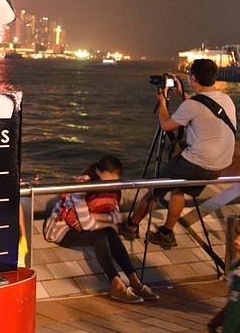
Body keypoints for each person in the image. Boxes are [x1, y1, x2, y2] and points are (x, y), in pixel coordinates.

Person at [121, 59, 237, 248]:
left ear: (193, 78)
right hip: (220, 165)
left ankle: (130, 226)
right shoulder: (226, 99)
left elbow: (166, 125)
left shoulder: (192, 105)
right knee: (179, 189)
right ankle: (166, 233)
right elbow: (201, 107)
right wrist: (181, 94)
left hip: (198, 163)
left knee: (155, 189)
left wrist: (162, 103)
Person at [44, 155, 159, 303]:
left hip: (86, 227)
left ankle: (135, 281)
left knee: (109, 233)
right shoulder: (82, 185)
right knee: (101, 236)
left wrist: (94, 217)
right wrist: (105, 221)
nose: (110, 185)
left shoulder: (113, 187)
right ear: (98, 172)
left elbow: (115, 218)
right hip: (62, 230)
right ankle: (116, 284)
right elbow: (88, 225)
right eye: (107, 181)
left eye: (114, 181)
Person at [207, 223, 240, 332]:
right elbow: (233, 305)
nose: (237, 241)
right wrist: (213, 324)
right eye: (237, 234)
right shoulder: (236, 269)